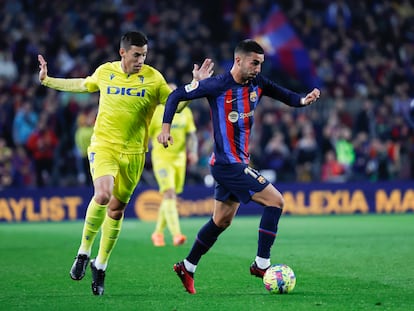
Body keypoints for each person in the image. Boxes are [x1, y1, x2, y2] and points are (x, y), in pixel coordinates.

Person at [37, 31, 214, 296]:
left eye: (144, 54)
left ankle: (101, 264)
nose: (141, 59)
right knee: (103, 193)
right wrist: (47, 80)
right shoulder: (106, 72)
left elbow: (175, 105)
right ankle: (83, 253)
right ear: (123, 53)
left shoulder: (154, 79)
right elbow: (82, 85)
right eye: (136, 55)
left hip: (134, 154)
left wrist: (195, 85)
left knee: (117, 210)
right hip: (104, 146)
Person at [158, 39, 320, 294]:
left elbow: (285, 95)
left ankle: (187, 266)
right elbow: (177, 94)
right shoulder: (218, 85)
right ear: (238, 60)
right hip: (227, 164)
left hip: (235, 163)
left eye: (261, 64)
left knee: (221, 220)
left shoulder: (258, 84)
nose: (258, 68)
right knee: (275, 202)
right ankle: (261, 264)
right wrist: (165, 127)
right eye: (254, 63)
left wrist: (303, 100)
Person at [149, 83, 199, 247]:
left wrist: (193, 151)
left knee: (170, 197)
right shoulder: (156, 112)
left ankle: (157, 233)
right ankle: (176, 234)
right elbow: (145, 136)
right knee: (169, 194)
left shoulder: (186, 112)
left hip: (179, 159)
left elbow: (191, 134)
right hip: (162, 158)